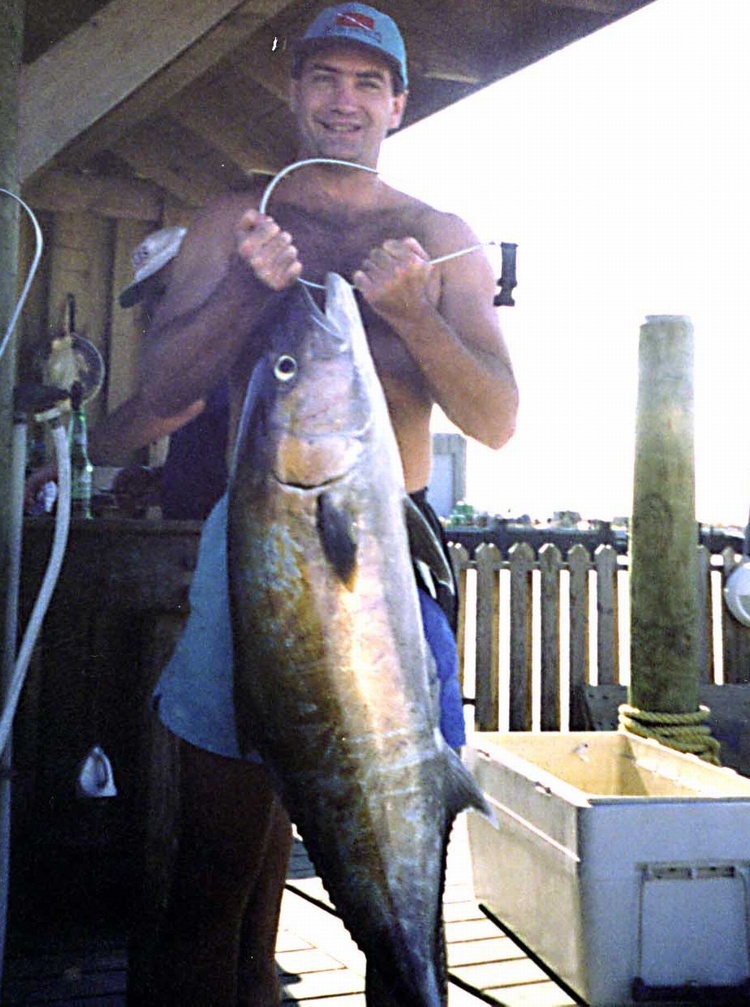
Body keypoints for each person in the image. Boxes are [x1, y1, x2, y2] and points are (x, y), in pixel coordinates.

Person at [57, 5, 518, 1003]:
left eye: (366, 82)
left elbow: (496, 417)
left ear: (398, 102)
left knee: (412, 883)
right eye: (323, 78)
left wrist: (414, 321)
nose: (342, 101)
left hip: (387, 554)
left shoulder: (438, 239)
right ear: (294, 91)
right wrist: (240, 298)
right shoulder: (236, 217)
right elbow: (155, 397)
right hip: (260, 549)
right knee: (215, 869)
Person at [116, 226, 230, 521]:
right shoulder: (186, 351)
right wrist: (161, 481)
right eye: (148, 298)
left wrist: (75, 458)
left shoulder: (223, 339)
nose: (155, 308)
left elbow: (176, 406)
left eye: (164, 291)